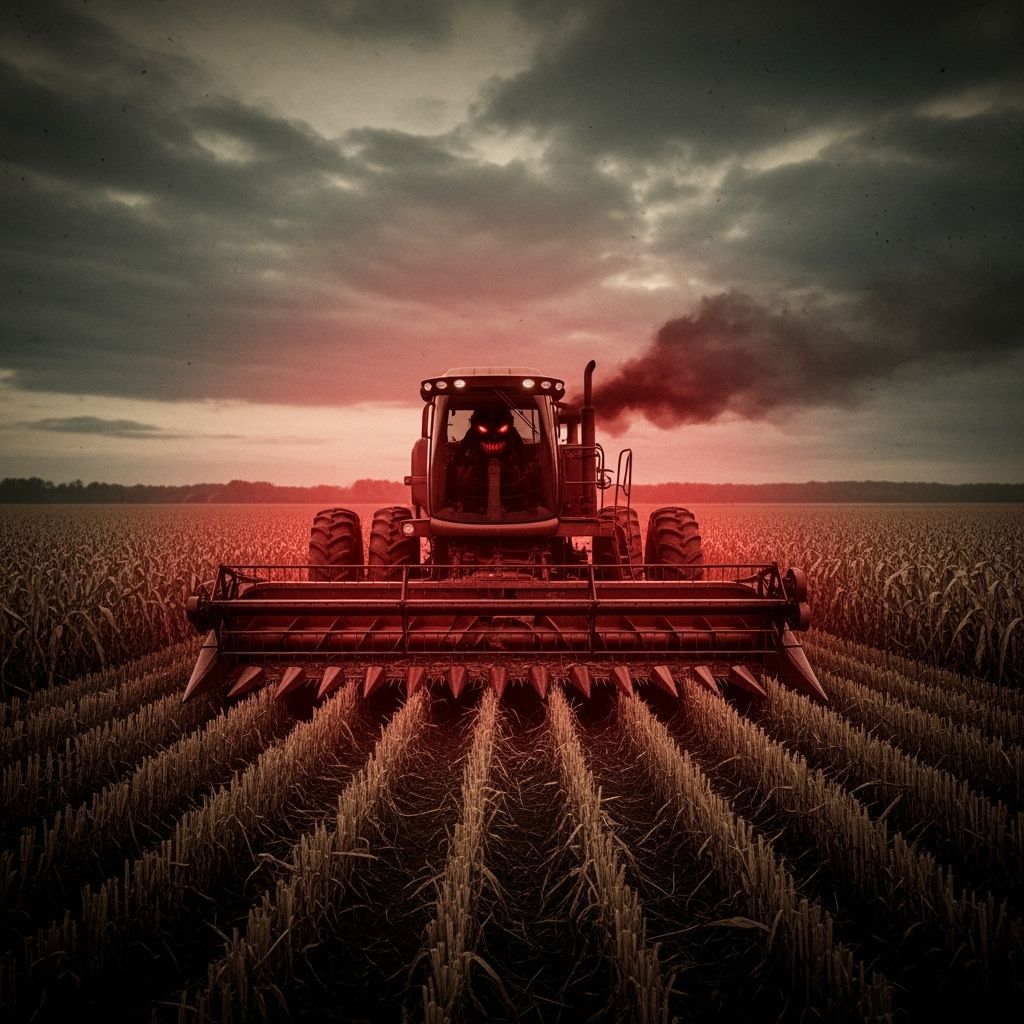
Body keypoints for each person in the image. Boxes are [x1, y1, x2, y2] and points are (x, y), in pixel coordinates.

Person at [447, 405, 541, 515]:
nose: (493, 436)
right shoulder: (471, 436)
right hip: (477, 490)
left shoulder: (513, 437)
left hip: (510, 492)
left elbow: (523, 460)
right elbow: (459, 459)